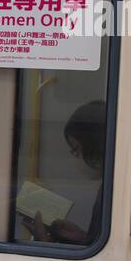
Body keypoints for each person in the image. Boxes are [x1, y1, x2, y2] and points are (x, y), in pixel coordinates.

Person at [30, 99, 106, 246]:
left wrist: (44, 241)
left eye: (77, 148)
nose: (75, 156)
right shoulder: (110, 187)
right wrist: (83, 238)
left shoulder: (112, 193)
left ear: (95, 147)